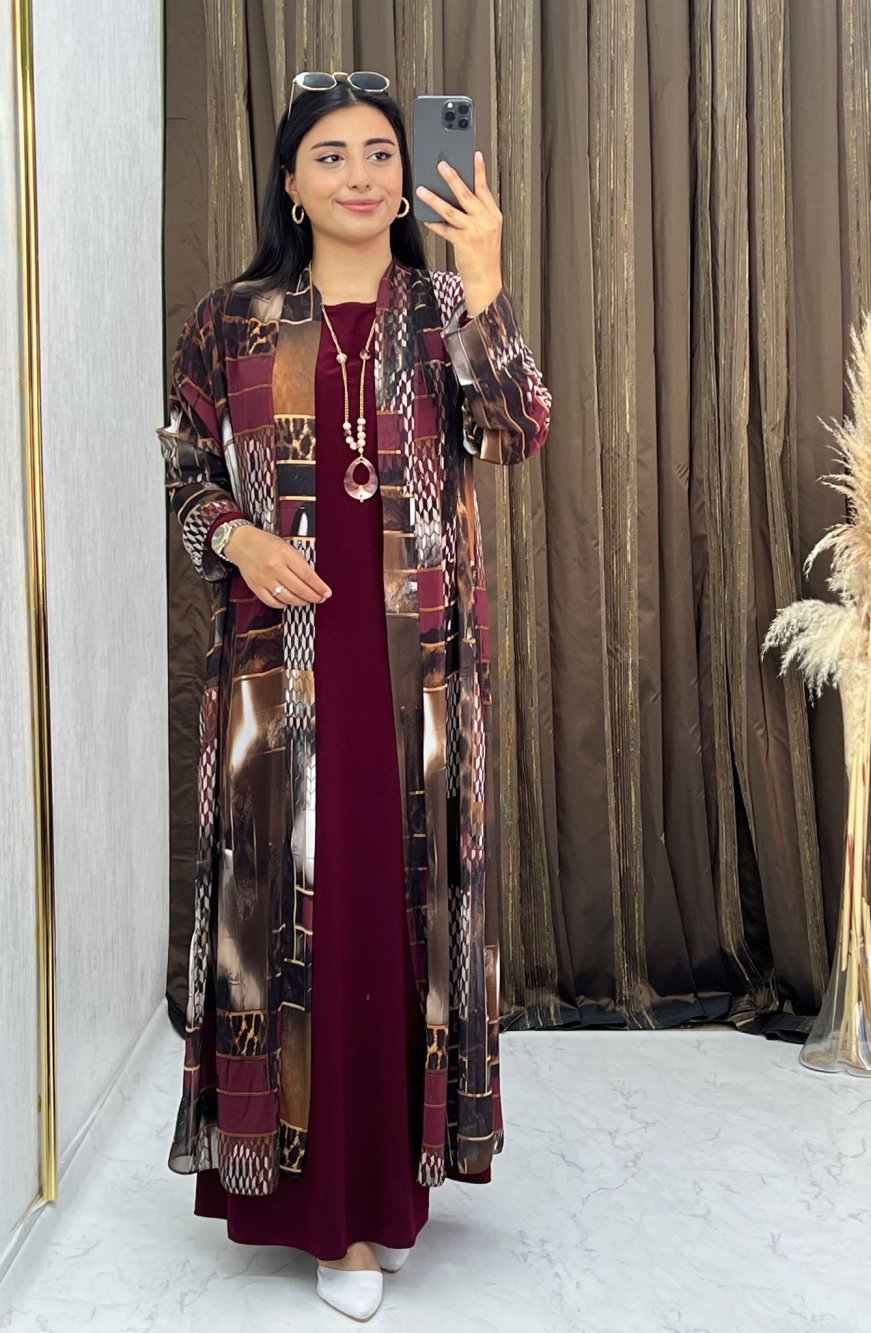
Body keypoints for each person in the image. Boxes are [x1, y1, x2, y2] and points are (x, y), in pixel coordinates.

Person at [156, 69, 551, 1320]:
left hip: (418, 679)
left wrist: (484, 280)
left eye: (381, 152)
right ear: (289, 182)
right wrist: (235, 538)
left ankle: (383, 1195)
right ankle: (316, 1205)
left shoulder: (440, 308)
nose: (361, 174)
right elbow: (184, 467)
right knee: (289, 922)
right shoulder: (231, 319)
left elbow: (517, 430)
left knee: (398, 921)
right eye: (330, 154)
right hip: (278, 672)